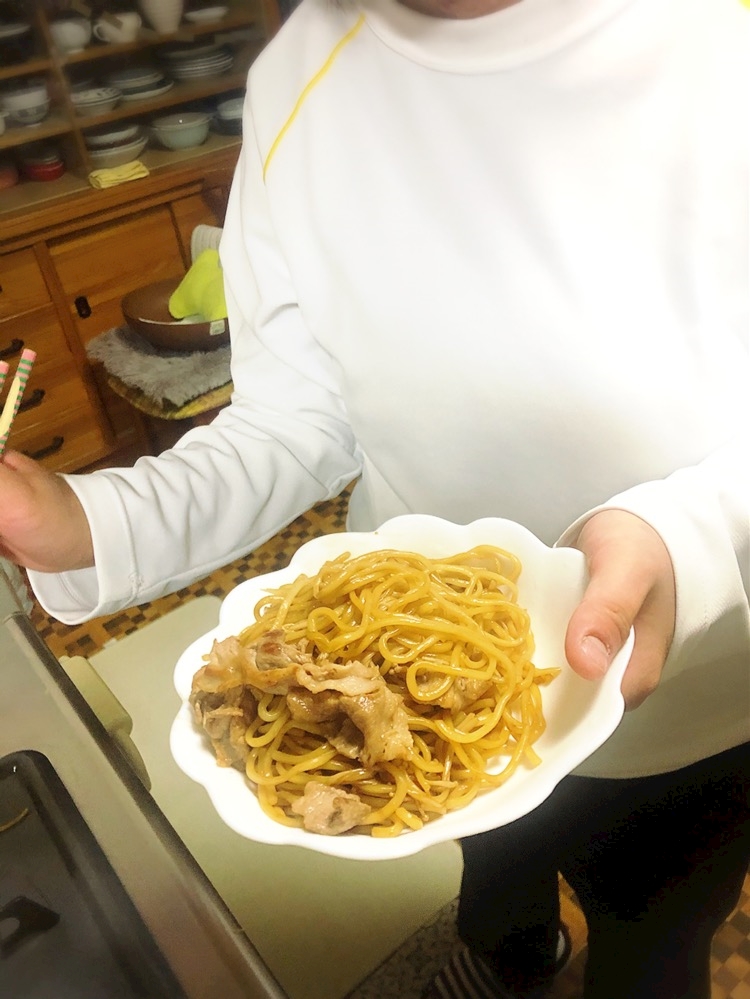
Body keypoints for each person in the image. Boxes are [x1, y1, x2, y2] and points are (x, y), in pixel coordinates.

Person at [0, 0, 748, 996]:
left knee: (654, 946)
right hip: (411, 700)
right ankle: (512, 956)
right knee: (494, 894)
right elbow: (294, 419)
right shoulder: (302, 71)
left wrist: (688, 538)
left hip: (697, 711)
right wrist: (87, 524)